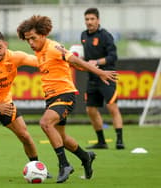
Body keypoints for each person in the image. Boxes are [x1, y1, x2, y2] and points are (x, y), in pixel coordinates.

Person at [17, 15, 118, 183]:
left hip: (64, 94)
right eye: (28, 40)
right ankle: (85, 157)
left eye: (33, 38)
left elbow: (75, 60)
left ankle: (64, 165)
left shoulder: (54, 47)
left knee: (45, 123)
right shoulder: (39, 52)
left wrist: (100, 72)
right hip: (51, 97)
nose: (31, 43)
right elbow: (71, 65)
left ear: (43, 34)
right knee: (61, 137)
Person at [0, 31, 51, 177]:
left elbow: (37, 61)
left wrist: (59, 58)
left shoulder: (14, 57)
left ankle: (36, 166)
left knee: (24, 135)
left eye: (0, 47)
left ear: (5, 45)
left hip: (4, 103)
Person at [81, 8, 125, 150]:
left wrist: (97, 62)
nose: (89, 22)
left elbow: (113, 56)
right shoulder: (83, 35)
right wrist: (81, 60)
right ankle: (101, 141)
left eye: (92, 19)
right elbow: (87, 58)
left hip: (107, 77)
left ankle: (119, 140)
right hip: (92, 78)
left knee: (112, 107)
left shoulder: (105, 36)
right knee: (90, 110)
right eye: (87, 19)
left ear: (98, 20)